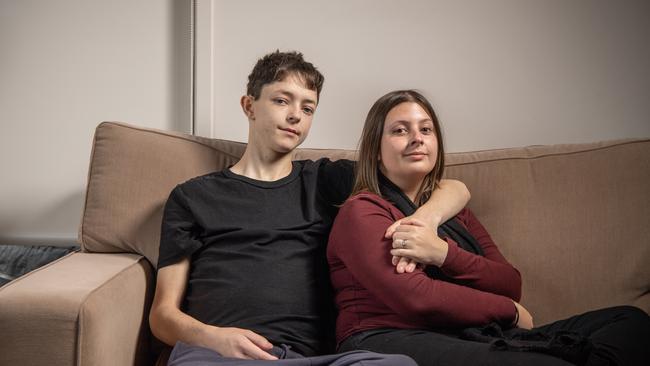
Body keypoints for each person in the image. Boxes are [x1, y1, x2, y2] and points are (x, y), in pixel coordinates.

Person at [149, 52, 470, 365]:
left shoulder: (330, 180)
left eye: (308, 107)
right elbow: (162, 316)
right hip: (216, 355)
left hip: (310, 356)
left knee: (396, 363)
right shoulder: (193, 196)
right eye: (281, 100)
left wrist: (425, 220)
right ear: (249, 106)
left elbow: (453, 187)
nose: (295, 116)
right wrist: (214, 337)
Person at [327, 89, 650, 366]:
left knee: (630, 322)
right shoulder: (363, 212)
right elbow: (417, 298)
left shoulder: (454, 214)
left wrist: (443, 253)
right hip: (386, 337)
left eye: (426, 129)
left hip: (469, 334)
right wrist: (508, 311)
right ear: (376, 152)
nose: (417, 138)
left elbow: (509, 282)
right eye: (400, 130)